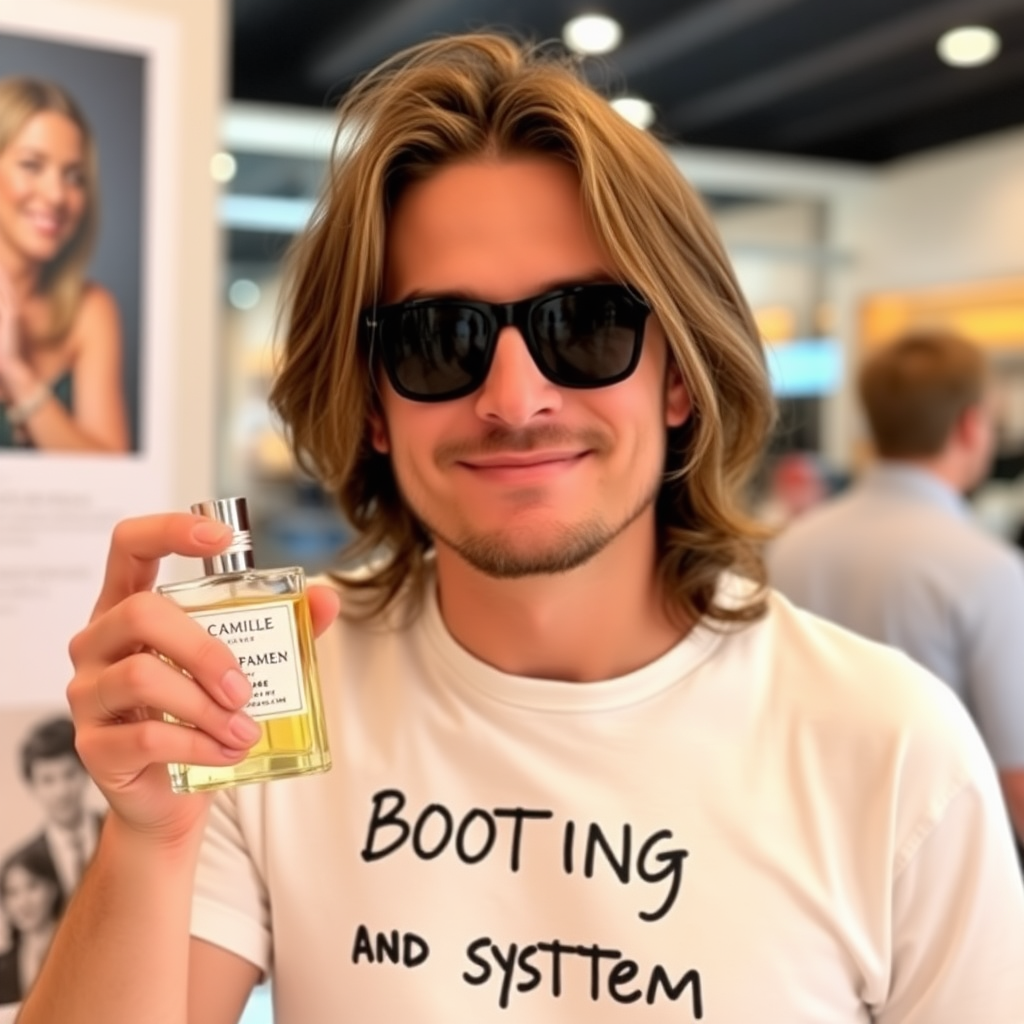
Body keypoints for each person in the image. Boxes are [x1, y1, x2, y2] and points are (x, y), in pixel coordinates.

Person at [18, 34, 1024, 1024]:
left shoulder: (892, 750)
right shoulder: (272, 709)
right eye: (437, 339)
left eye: (583, 324)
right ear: (375, 403)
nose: (513, 397)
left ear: (678, 375)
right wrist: (147, 835)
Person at [766, 330, 1024, 854]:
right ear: (971, 426)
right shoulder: (986, 568)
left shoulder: (791, 547)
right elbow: (1016, 776)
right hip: (938, 867)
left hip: (802, 845)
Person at [0, 76, 128, 452]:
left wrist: (15, 372)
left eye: (74, 176)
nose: (57, 195)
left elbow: (115, 481)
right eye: (31, 165)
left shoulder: (91, 308)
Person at [7, 716, 103, 904]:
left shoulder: (125, 840)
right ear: (32, 785)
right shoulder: (22, 864)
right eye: (48, 780)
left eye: (69, 774)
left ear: (87, 772)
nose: (61, 791)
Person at [0, 846, 63, 1005]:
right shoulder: (4, 967)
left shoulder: (82, 949)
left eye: (32, 886)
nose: (23, 902)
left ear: (52, 888)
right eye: (13, 892)